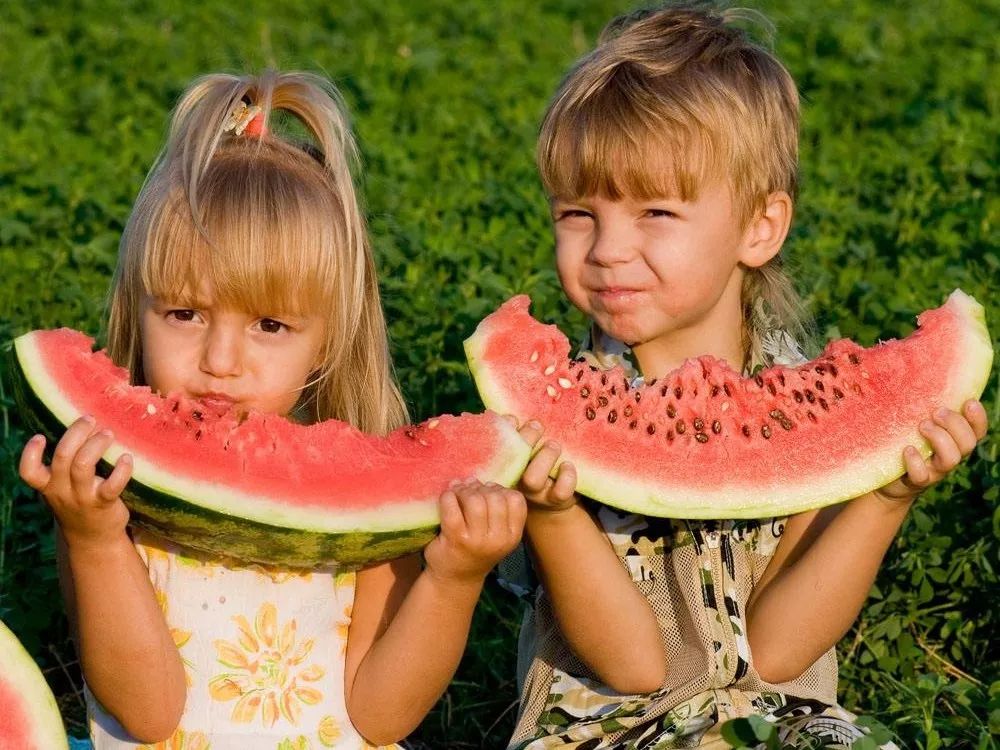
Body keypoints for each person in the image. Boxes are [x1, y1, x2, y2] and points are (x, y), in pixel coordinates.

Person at [502, 5, 989, 748]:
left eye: (656, 211)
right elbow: (632, 666)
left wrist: (890, 495)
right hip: (610, 728)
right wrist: (553, 510)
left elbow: (782, 649)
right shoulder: (557, 415)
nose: (607, 248)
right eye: (577, 212)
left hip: (786, 722)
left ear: (761, 227)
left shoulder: (802, 398)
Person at [18, 70, 528, 749]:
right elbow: (146, 713)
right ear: (137, 317)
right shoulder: (111, 500)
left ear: (328, 340)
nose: (221, 360)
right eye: (183, 313)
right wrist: (93, 539)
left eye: (269, 326)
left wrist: (454, 577)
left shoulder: (371, 510)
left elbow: (382, 714)